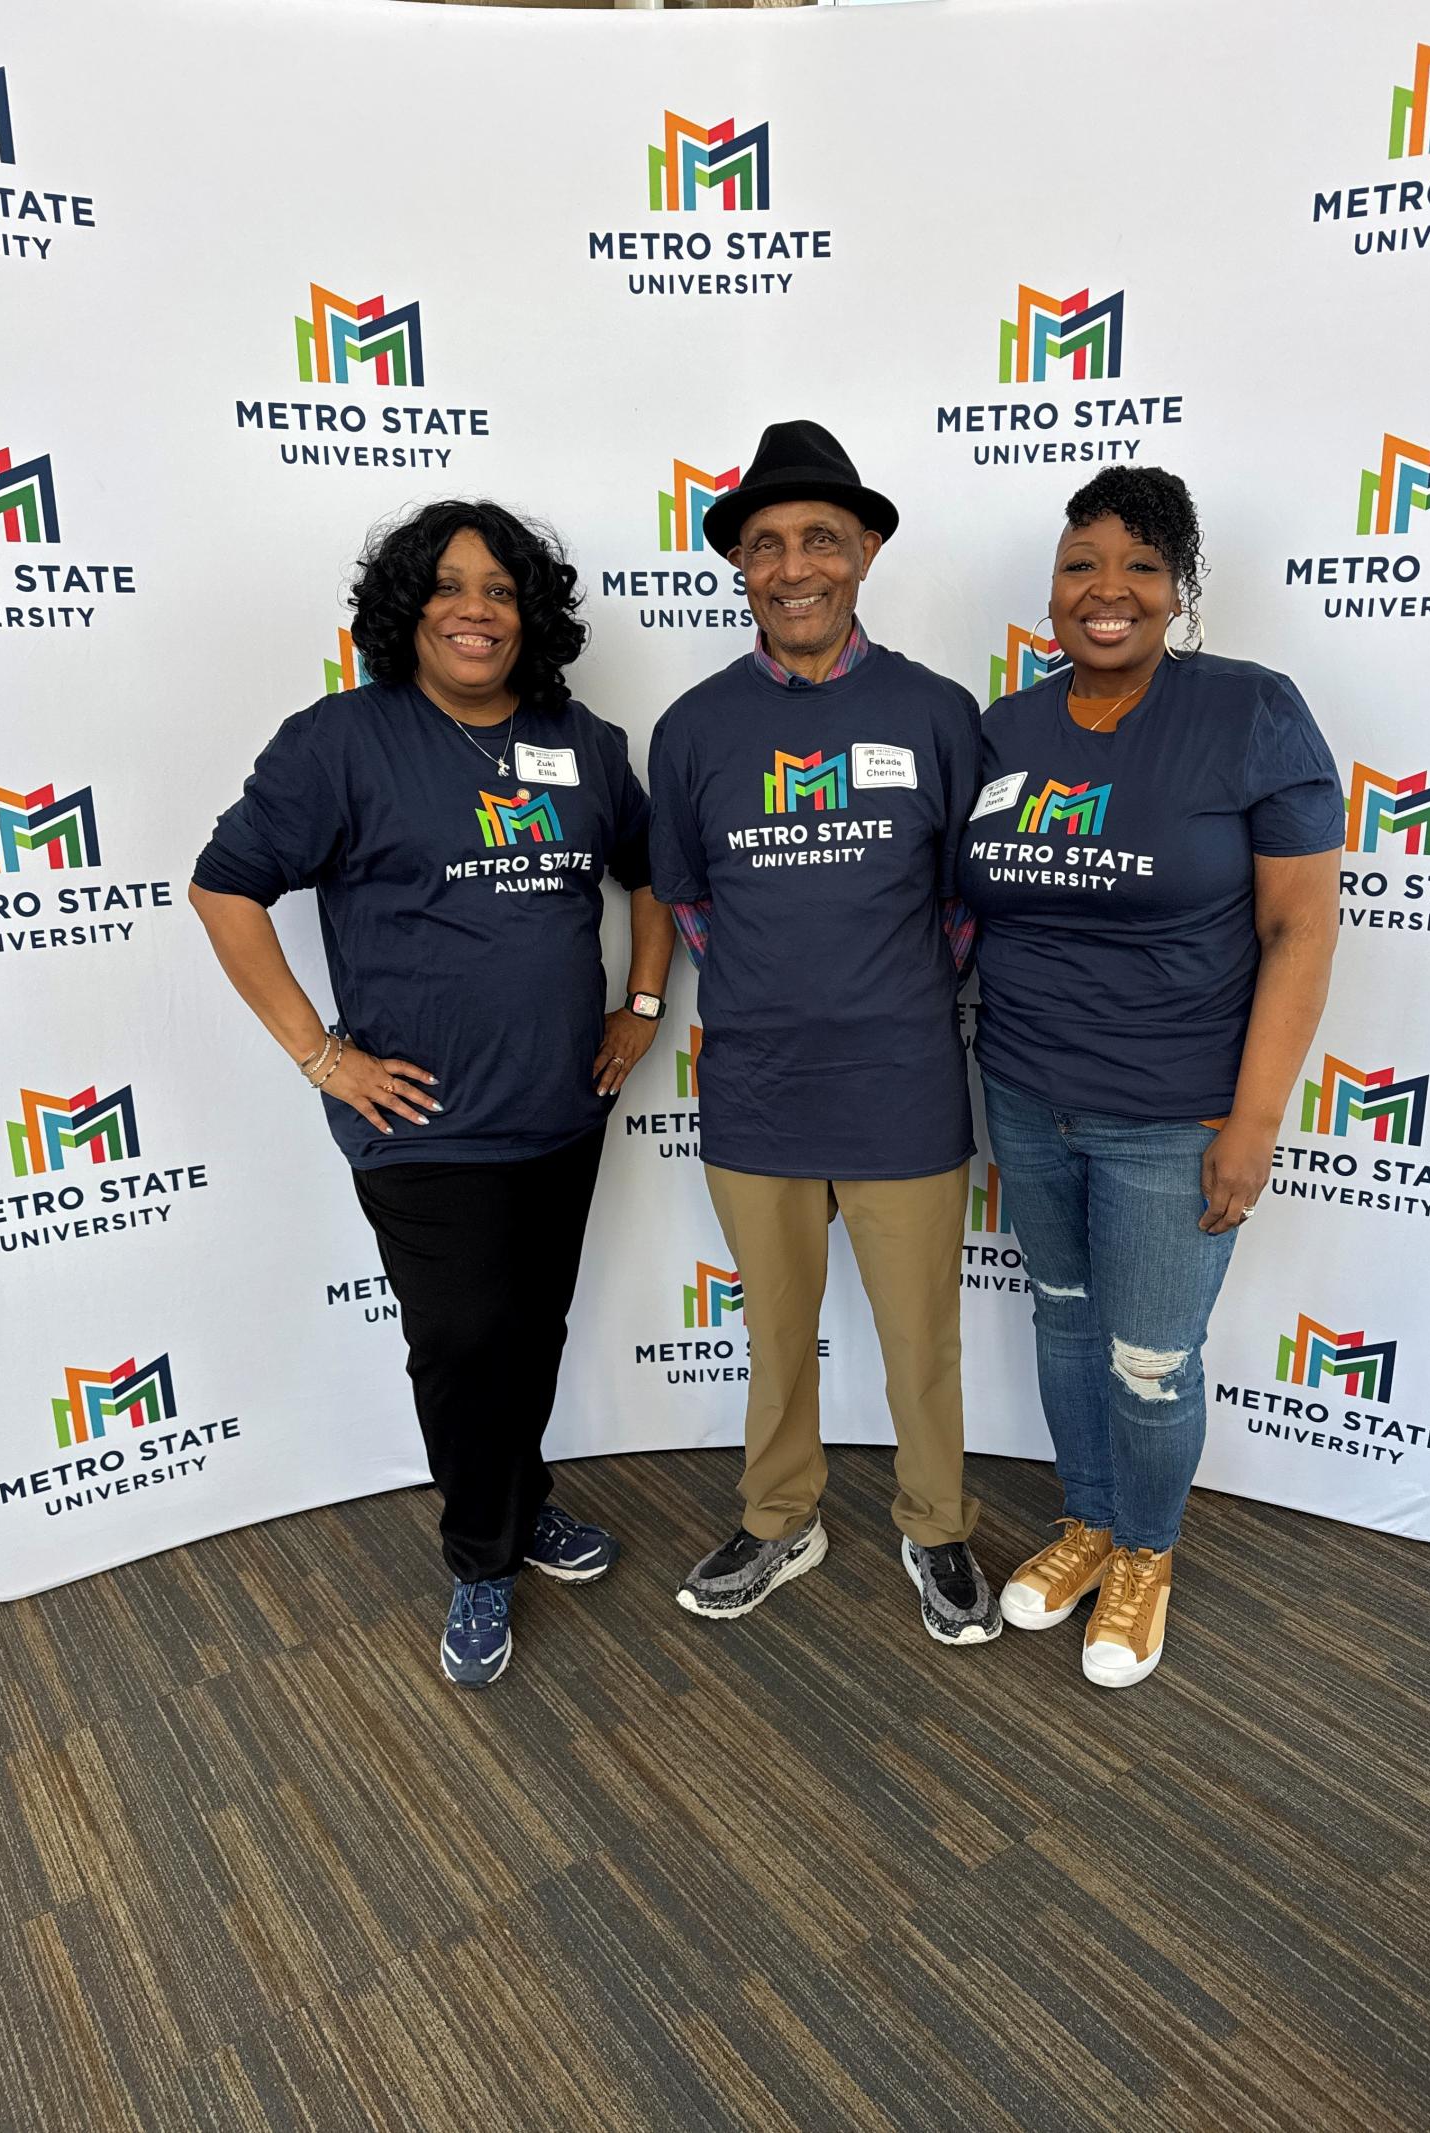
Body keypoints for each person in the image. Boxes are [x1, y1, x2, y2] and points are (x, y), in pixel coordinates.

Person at [189, 500, 673, 1688]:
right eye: (451, 588)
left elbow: (653, 872)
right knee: (461, 1340)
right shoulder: (339, 741)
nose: (476, 610)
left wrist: (643, 1007)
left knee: (532, 1329)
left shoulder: (585, 741)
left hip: (560, 1106)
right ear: (408, 611)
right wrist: (323, 1058)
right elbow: (223, 891)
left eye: (500, 591)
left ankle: (520, 1497)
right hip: (414, 1121)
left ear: (530, 615)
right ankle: (480, 1558)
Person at [958, 466, 1342, 1687]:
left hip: (1174, 1116)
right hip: (1021, 1088)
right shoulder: (1007, 728)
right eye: (1081, 567)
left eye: (1139, 568)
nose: (1106, 591)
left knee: (1151, 1356)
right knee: (1065, 1322)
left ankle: (1146, 1553)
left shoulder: (1251, 712)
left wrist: (1252, 1121)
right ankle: (1085, 1523)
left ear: (1178, 590)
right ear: (1051, 590)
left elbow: (1301, 930)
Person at [648, 419, 1000, 1646]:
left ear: (865, 552)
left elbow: (965, 900)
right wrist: (774, 986)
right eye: (765, 546)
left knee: (921, 1340)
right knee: (775, 1336)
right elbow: (687, 899)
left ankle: (938, 1528)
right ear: (740, 568)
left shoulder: (940, 712)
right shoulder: (693, 728)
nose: (793, 566)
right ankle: (780, 1514)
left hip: (904, 1086)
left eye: (820, 540)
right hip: (756, 1088)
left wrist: (881, 989)